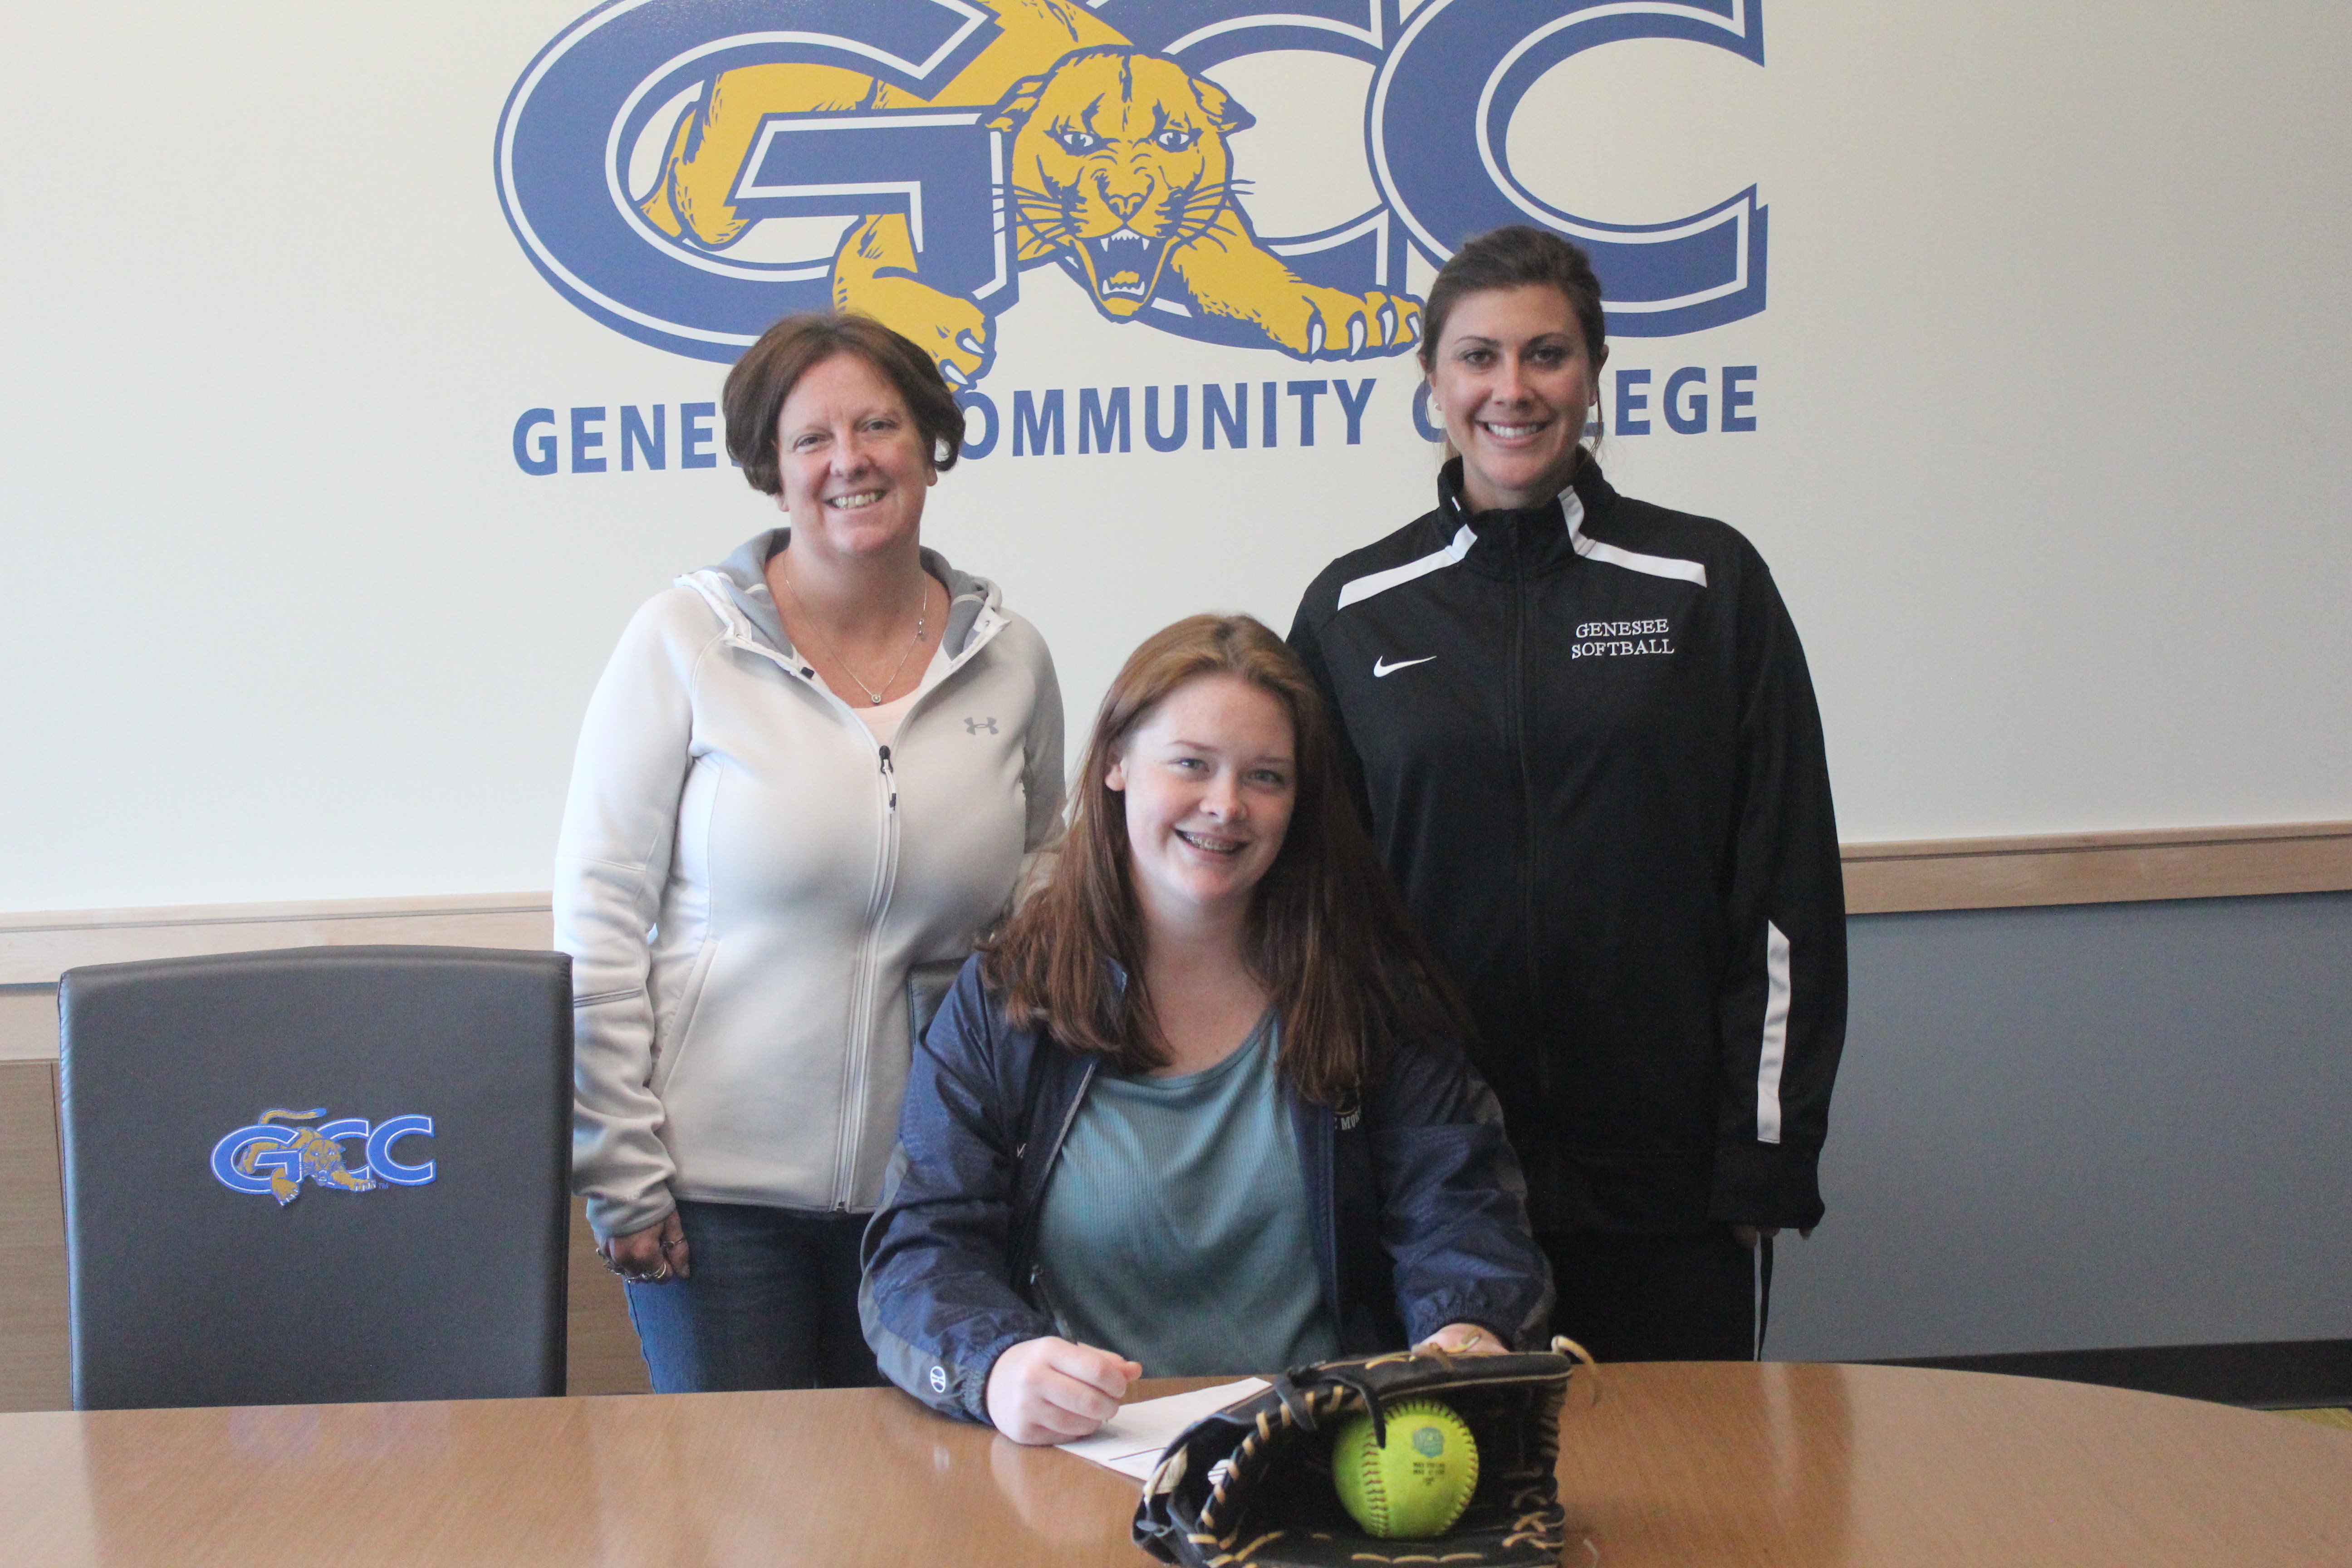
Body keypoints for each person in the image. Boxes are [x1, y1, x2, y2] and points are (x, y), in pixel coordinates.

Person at [1287, 226, 1847, 1362]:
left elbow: (1786, 887)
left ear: (1593, 375)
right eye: (1478, 357)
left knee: (1692, 1513)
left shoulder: (1706, 583)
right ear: (1433, 383)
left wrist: (1765, 1154)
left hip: (1669, 1185)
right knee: (1447, 1514)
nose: (1512, 389)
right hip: (1431, 1186)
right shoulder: (1354, 612)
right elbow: (1310, 913)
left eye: (1546, 355)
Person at [860, 615, 1550, 1442]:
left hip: (1318, 1456)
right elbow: (921, 1248)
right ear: (1116, 763)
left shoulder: (1370, 995)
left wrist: (1470, 1333)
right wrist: (999, 1366)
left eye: (1266, 777)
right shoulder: (1010, 995)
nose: (1226, 807)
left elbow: (1459, 1212)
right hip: (1075, 1458)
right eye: (1190, 764)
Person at [555, 312, 1064, 1392]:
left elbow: (1042, 916)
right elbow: (597, 916)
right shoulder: (684, 642)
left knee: (919, 1532)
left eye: (881, 425)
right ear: (772, 471)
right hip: (714, 1206)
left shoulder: (1011, 659)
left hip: (936, 1207)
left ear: (931, 444)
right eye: (813, 439)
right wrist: (621, 1171)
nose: (851, 461)